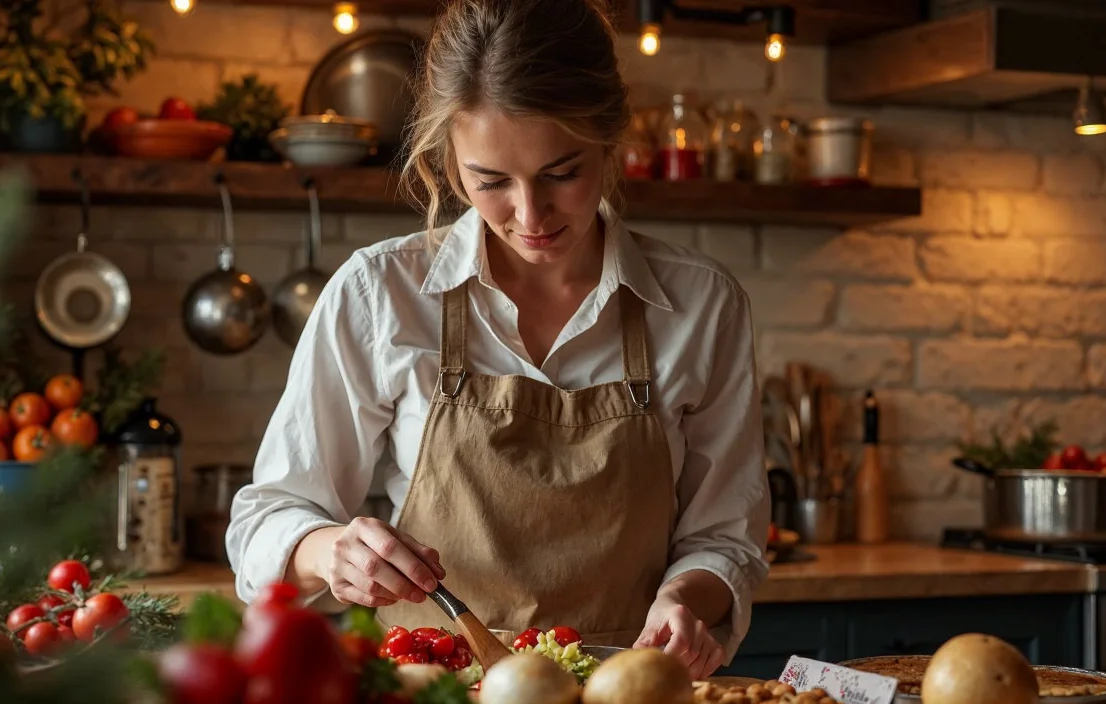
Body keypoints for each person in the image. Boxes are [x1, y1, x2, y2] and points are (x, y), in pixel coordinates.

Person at [226, 0, 769, 680]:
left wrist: (688, 596)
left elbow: (726, 537)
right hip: (433, 687)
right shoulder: (380, 293)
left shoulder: (700, 306)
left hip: (624, 688)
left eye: (561, 173)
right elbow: (269, 516)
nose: (530, 215)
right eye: (491, 182)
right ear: (450, 163)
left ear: (610, 140)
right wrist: (328, 548)